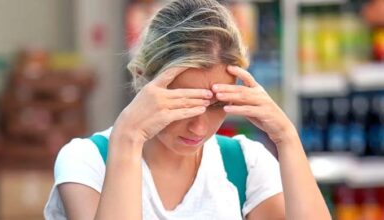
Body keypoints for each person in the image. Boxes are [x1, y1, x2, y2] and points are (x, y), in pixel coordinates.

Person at [44, 0, 331, 219]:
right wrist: (128, 136)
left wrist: (287, 138)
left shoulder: (245, 164)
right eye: (182, 103)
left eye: (216, 105)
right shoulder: (88, 161)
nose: (199, 127)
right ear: (143, 78)